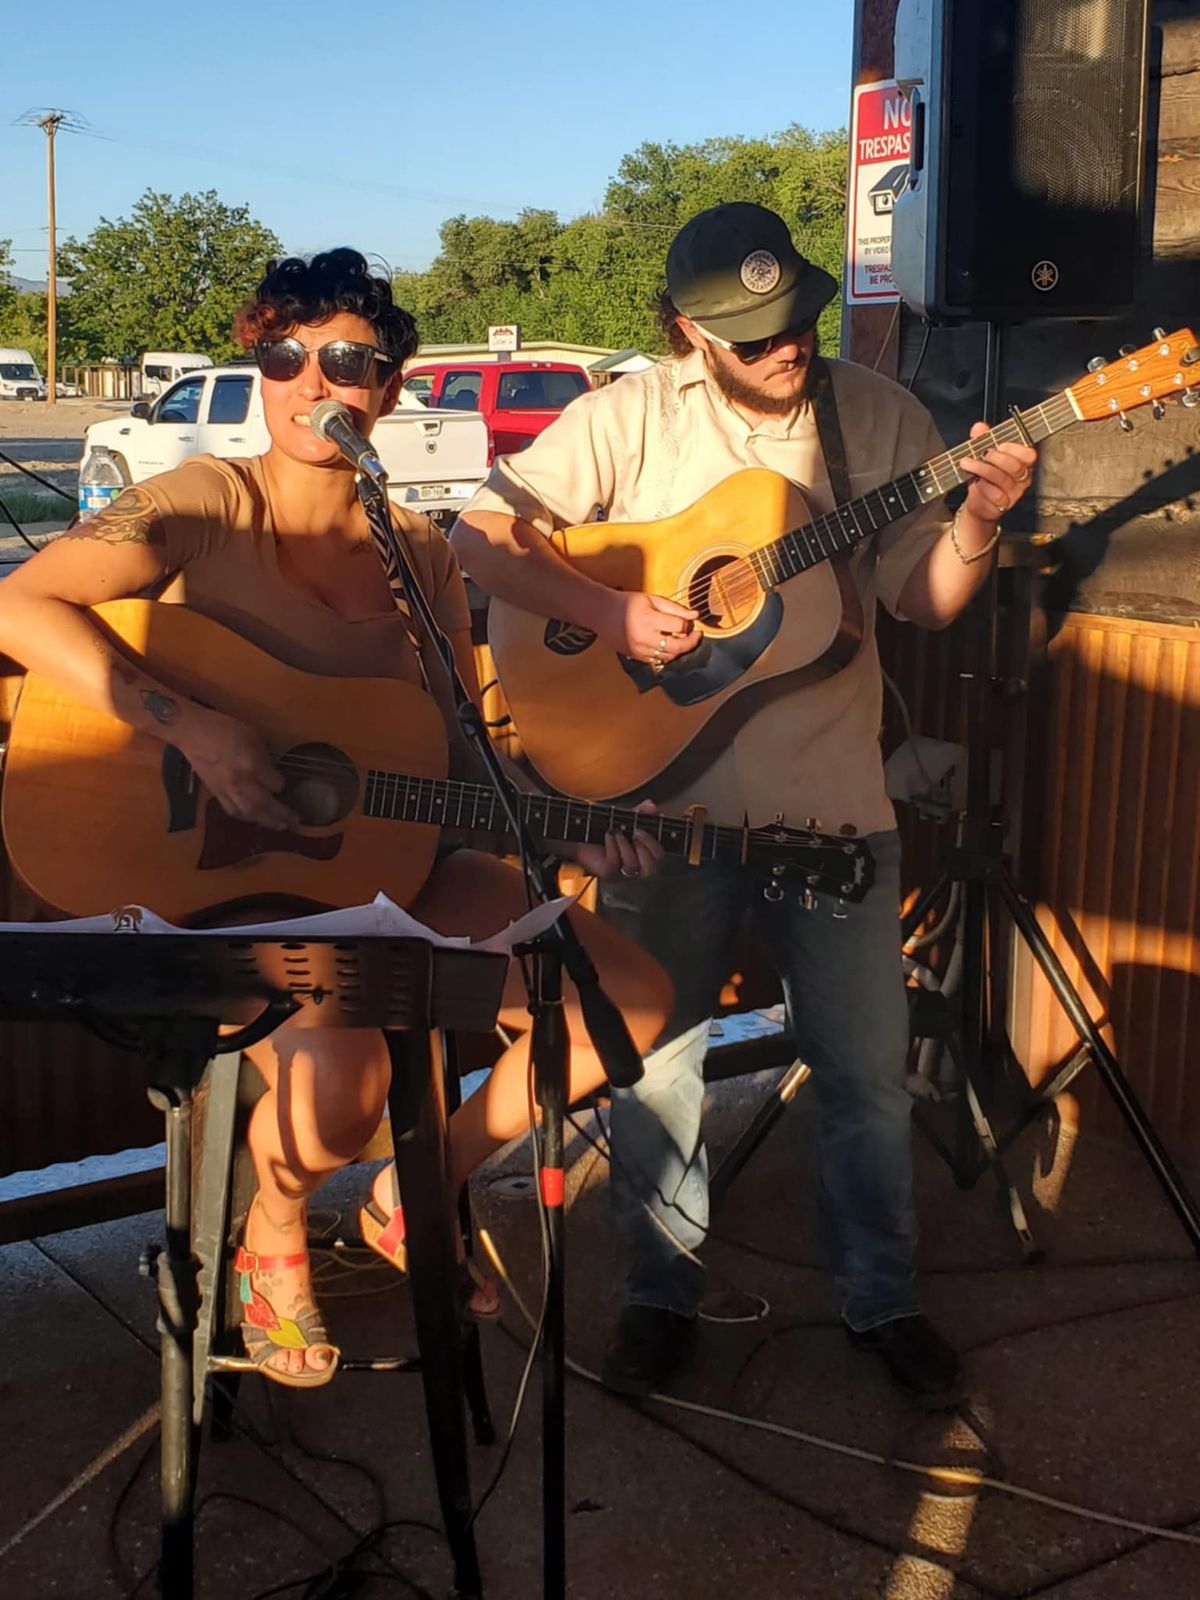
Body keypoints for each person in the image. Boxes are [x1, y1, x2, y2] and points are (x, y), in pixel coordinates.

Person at [0, 249, 671, 1388]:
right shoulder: (203, 501)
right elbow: (23, 602)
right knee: (345, 1094)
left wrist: (566, 827)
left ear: (388, 390)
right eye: (283, 356)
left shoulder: (420, 555)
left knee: (630, 1000)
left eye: (347, 361)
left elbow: (448, 751)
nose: (311, 382)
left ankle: (426, 1182)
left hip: (385, 870)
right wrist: (189, 726)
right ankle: (273, 1224)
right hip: (225, 886)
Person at [449, 202, 1037, 1407]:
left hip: (834, 809)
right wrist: (611, 613)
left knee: (865, 1074)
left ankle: (883, 1298)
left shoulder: (876, 416)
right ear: (689, 330)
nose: (787, 347)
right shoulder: (627, 416)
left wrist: (978, 518)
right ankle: (660, 1294)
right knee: (656, 1067)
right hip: (663, 812)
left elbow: (924, 600)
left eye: (799, 320)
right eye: (754, 335)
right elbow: (478, 535)